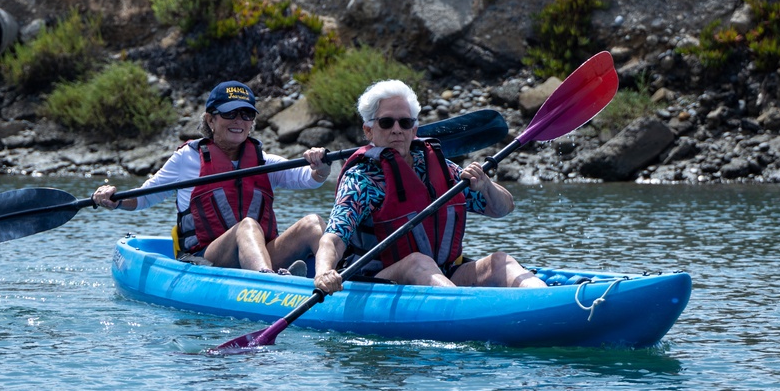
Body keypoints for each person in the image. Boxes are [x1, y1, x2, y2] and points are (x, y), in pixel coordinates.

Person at [313, 79, 546, 295]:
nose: (397, 130)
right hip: (375, 281)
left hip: (443, 273)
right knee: (418, 262)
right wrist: (324, 272)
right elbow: (333, 237)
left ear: (414, 130)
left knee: (499, 261)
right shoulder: (361, 179)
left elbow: (503, 208)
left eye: (405, 123)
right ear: (368, 130)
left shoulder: (441, 168)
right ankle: (464, 311)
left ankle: (542, 298)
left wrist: (486, 186)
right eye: (386, 122)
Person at [92, 80, 331, 275]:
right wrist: (116, 199)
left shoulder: (263, 161)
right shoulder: (188, 158)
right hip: (206, 260)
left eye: (247, 114)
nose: (239, 120)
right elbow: (145, 197)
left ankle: (334, 277)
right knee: (247, 226)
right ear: (210, 120)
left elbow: (311, 178)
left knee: (312, 222)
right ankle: (269, 283)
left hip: (261, 253)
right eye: (230, 113)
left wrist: (321, 165)